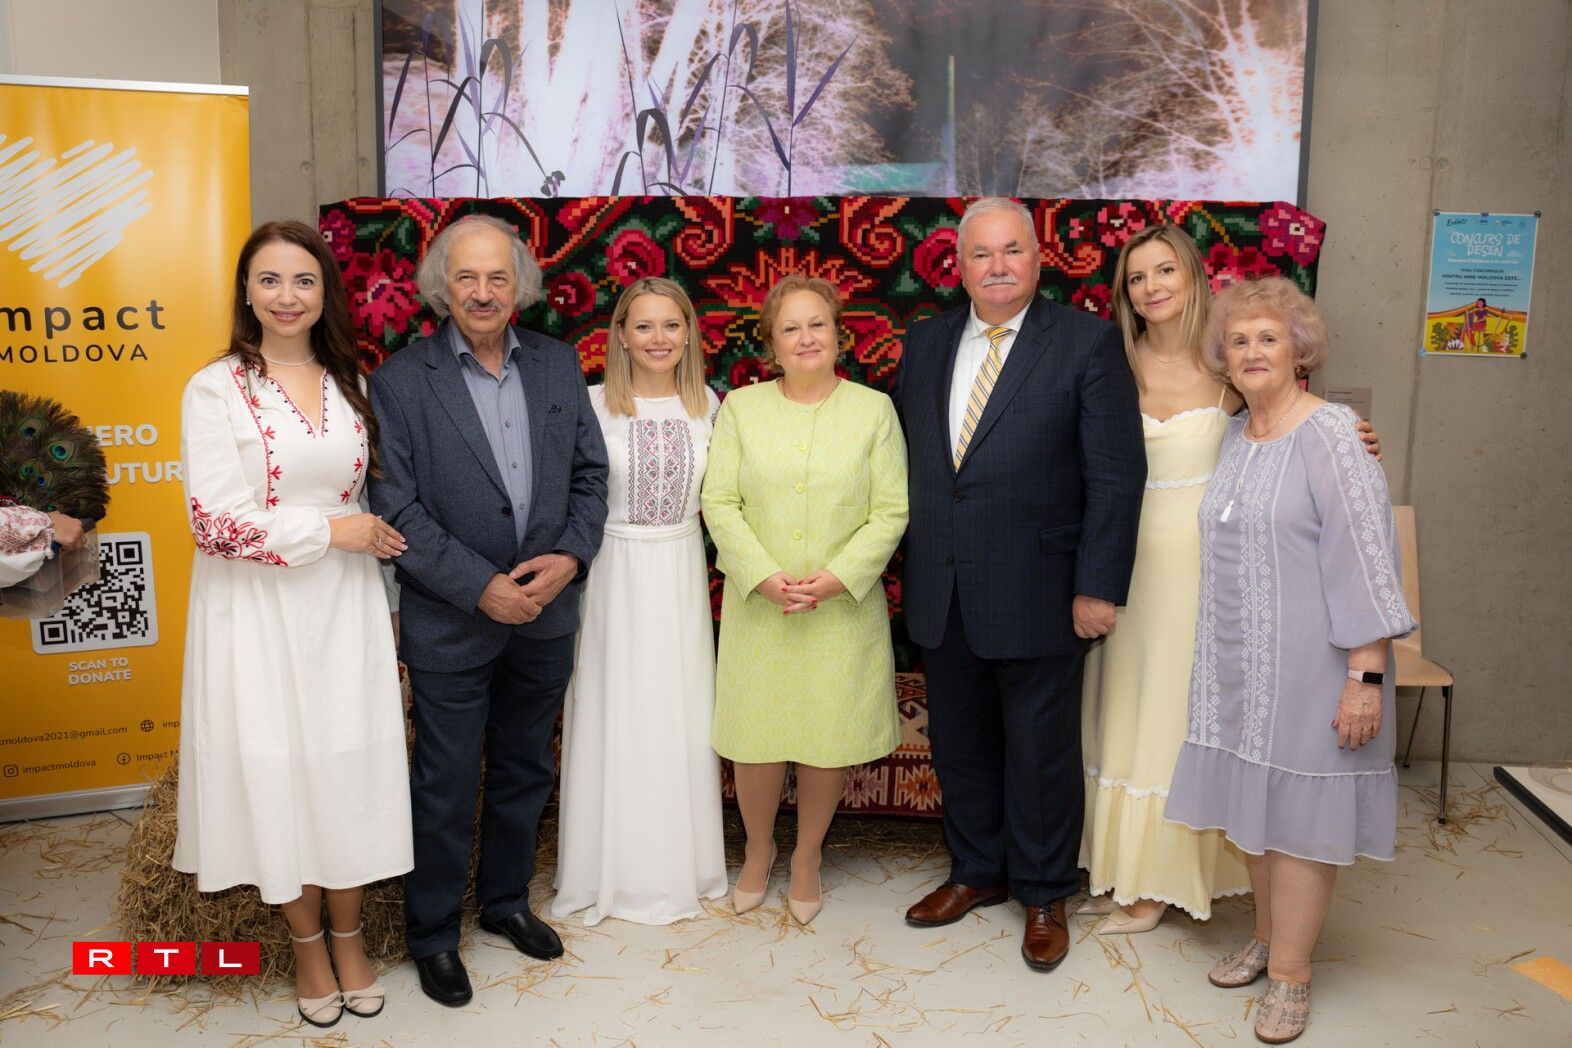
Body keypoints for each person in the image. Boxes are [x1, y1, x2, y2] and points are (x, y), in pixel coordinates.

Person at [1078, 227, 1381, 934]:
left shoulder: (1227, 363)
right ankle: (1120, 868)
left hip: (1204, 571)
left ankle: (1162, 883)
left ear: (1193, 276)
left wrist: (1353, 435)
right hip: (1119, 564)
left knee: (1175, 716)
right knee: (1121, 711)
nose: (1151, 287)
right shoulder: (1107, 360)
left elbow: (1290, 428)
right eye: (1136, 277)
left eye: (1165, 270)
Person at [895, 197, 1146, 972]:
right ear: (958, 266)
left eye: (1012, 251)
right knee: (960, 745)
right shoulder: (926, 342)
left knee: (1040, 752)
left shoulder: (1086, 342)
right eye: (981, 254)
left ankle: (1043, 891)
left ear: (1039, 260)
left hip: (1042, 588)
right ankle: (976, 871)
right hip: (943, 588)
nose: (997, 266)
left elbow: (1116, 475)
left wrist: (1097, 585)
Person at [1163, 277, 1416, 1044]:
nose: (1252, 351)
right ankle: (1269, 940)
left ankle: (1293, 977)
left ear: (1299, 350)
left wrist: (1365, 676)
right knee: (1259, 815)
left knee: (1301, 825)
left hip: (1319, 668)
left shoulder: (1333, 432)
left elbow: (1366, 557)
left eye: (1268, 338)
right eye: (1238, 341)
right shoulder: (1238, 435)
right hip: (1244, 667)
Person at [173, 220, 412, 1030]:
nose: (287, 296)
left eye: (303, 280)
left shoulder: (353, 382)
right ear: (246, 292)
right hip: (254, 612)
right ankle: (308, 948)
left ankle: (350, 938)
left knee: (347, 769)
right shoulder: (214, 388)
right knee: (280, 773)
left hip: (345, 608)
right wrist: (331, 532)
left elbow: (372, 510)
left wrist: (385, 600)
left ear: (324, 293)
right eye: (269, 280)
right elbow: (213, 524)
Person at [367, 214, 609, 1007]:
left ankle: (505, 901)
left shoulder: (558, 364)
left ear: (520, 286)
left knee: (525, 769)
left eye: (497, 277)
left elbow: (589, 476)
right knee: (444, 784)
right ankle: (434, 934)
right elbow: (395, 506)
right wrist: (480, 586)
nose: (482, 291)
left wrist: (570, 557)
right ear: (441, 286)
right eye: (466, 277)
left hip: (545, 610)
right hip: (451, 617)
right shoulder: (401, 381)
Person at [701, 274, 908, 927]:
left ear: (840, 334)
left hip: (839, 608)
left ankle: (809, 855)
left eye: (817, 324)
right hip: (760, 606)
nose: (806, 337)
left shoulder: (874, 410)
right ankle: (758, 851)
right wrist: (761, 574)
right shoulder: (741, 408)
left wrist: (839, 576)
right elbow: (719, 502)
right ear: (772, 343)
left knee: (826, 734)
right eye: (790, 327)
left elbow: (890, 510)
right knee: (755, 735)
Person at [551, 277, 727, 926]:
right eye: (644, 325)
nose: (659, 338)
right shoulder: (591, 405)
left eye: (671, 324)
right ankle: (606, 871)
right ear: (621, 334)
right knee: (613, 710)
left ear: (689, 333)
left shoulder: (712, 406)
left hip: (679, 573)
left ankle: (684, 867)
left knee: (680, 715)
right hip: (609, 575)